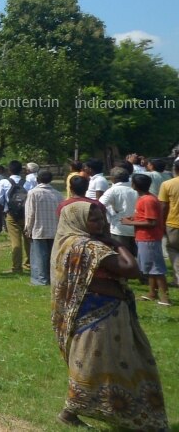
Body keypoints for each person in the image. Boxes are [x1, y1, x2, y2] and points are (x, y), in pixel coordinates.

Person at [50, 198, 168, 429]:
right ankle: (75, 410)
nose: (101, 224)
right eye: (93, 220)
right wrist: (115, 243)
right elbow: (132, 269)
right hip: (100, 315)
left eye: (101, 219)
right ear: (78, 221)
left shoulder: (66, 241)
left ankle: (85, 411)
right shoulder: (90, 247)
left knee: (99, 363)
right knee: (101, 364)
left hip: (91, 312)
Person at [121, 173, 171, 306]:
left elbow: (152, 222)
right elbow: (146, 217)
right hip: (143, 237)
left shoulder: (148, 200)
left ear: (135, 185)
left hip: (149, 238)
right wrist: (134, 218)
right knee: (149, 267)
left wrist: (129, 223)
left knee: (156, 268)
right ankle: (152, 293)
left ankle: (165, 298)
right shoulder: (144, 198)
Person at [24, 170, 62, 286]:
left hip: (38, 228)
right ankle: (51, 277)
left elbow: (30, 213)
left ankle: (40, 279)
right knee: (51, 256)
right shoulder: (57, 194)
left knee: (39, 256)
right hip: (54, 228)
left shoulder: (33, 193)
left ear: (37, 180)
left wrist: (28, 228)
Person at [98, 167, 139, 259]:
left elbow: (100, 205)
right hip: (137, 226)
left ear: (113, 178)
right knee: (138, 257)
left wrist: (110, 212)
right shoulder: (136, 188)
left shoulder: (113, 190)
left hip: (119, 227)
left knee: (123, 257)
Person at [0, 161, 29, 274]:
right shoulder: (28, 182)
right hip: (26, 213)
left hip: (11, 214)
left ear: (9, 170)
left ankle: (17, 267)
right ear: (21, 170)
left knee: (16, 241)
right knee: (28, 240)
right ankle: (29, 264)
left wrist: (7, 205)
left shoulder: (4, 182)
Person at [160, 158, 179, 284]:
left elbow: (163, 206)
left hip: (173, 222)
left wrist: (161, 224)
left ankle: (177, 278)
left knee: (173, 249)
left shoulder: (167, 184)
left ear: (175, 169)